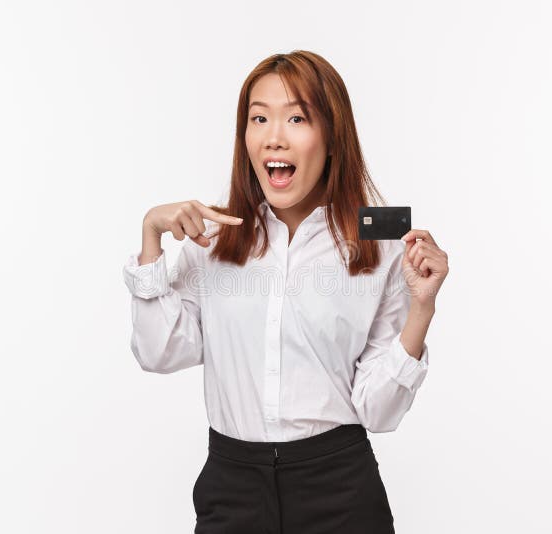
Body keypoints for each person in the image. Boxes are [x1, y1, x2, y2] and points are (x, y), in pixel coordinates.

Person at [122, 50, 449, 534]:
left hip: (339, 489)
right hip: (232, 489)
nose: (274, 136)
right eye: (259, 118)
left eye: (297, 117)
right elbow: (157, 353)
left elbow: (377, 413)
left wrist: (421, 309)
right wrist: (151, 238)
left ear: (332, 137)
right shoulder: (211, 239)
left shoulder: (377, 247)